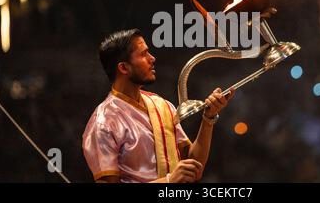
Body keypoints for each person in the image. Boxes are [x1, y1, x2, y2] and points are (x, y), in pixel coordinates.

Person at [82, 29, 234, 183]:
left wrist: (208, 118)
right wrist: (168, 182)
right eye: (143, 54)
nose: (152, 58)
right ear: (123, 68)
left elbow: (193, 167)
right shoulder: (103, 122)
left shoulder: (162, 105)